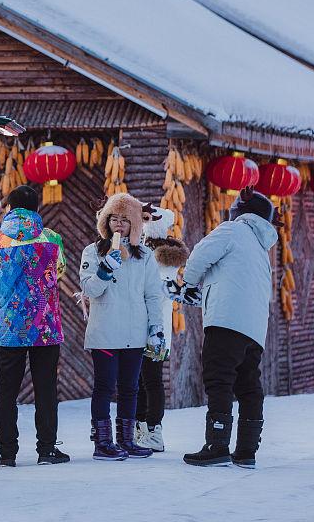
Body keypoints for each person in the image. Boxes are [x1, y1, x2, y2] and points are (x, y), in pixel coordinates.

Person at [171, 187, 276, 469]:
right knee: (248, 385)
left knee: (219, 380)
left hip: (226, 320)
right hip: (254, 330)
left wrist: (189, 283)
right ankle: (246, 451)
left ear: (241, 213)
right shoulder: (261, 250)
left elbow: (200, 255)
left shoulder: (232, 230)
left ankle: (217, 445)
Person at [0, 184, 68, 467]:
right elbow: (60, 272)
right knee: (46, 389)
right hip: (45, 325)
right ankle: (46, 450)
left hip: (8, 327)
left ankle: (7, 453)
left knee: (7, 390)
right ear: (36, 209)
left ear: (9, 208)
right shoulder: (52, 239)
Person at [79, 193, 164, 461]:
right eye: (114, 219)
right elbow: (89, 289)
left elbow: (152, 294)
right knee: (104, 386)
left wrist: (156, 328)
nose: (118, 225)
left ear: (135, 224)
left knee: (130, 387)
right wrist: (105, 269)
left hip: (134, 332)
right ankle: (102, 442)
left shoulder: (145, 256)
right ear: (105, 221)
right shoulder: (93, 252)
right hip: (105, 331)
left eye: (125, 220)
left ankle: (126, 439)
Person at [136, 204, 190, 453]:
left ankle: (153, 428)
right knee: (141, 379)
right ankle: (141, 427)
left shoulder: (164, 257)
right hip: (136, 325)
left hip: (155, 328)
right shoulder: (142, 250)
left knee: (150, 379)